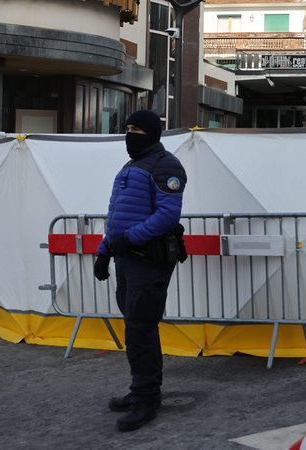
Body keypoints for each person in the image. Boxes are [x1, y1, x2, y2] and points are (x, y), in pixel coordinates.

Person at [93, 109, 187, 432]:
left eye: (136, 129)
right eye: (127, 127)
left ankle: (145, 399)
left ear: (150, 132)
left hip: (149, 259)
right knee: (138, 327)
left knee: (139, 327)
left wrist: (127, 240)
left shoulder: (166, 166)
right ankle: (144, 390)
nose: (129, 134)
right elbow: (115, 214)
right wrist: (104, 251)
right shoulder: (130, 167)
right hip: (127, 259)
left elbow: (167, 216)